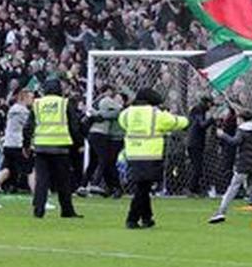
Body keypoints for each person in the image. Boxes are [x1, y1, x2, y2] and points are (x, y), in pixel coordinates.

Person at [119, 88, 189, 229]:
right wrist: (184, 118)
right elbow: (176, 122)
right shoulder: (156, 114)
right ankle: (132, 219)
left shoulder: (126, 113)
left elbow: (122, 124)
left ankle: (147, 217)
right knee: (143, 188)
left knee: (142, 187)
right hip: (150, 155)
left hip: (132, 154)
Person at [25, 80, 84, 219]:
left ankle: (38, 209)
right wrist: (79, 143)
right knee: (63, 181)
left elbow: (28, 126)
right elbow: (74, 126)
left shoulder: (37, 104)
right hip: (61, 147)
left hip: (41, 147)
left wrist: (26, 144)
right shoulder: (64, 103)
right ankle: (67, 210)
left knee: (42, 180)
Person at [209, 109, 252, 225]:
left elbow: (235, 142)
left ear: (242, 119)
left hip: (244, 164)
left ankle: (221, 212)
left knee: (233, 188)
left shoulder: (242, 130)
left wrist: (223, 135)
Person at [0, 90, 34, 209]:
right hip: (18, 145)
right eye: (31, 98)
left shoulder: (13, 109)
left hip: (9, 144)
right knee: (30, 171)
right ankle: (39, 200)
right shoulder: (22, 111)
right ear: (23, 98)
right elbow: (30, 126)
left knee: (5, 171)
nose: (33, 100)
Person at [84, 88, 124, 197]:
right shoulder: (111, 109)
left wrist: (96, 113)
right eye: (115, 99)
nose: (116, 101)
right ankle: (111, 187)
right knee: (106, 163)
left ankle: (115, 187)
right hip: (107, 138)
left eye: (119, 99)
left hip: (116, 139)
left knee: (109, 163)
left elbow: (109, 115)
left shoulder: (120, 111)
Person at [186, 96, 214, 197]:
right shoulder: (198, 111)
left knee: (198, 167)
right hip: (195, 143)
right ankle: (191, 189)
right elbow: (202, 125)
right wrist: (212, 119)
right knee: (197, 168)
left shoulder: (198, 111)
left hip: (196, 143)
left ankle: (196, 189)